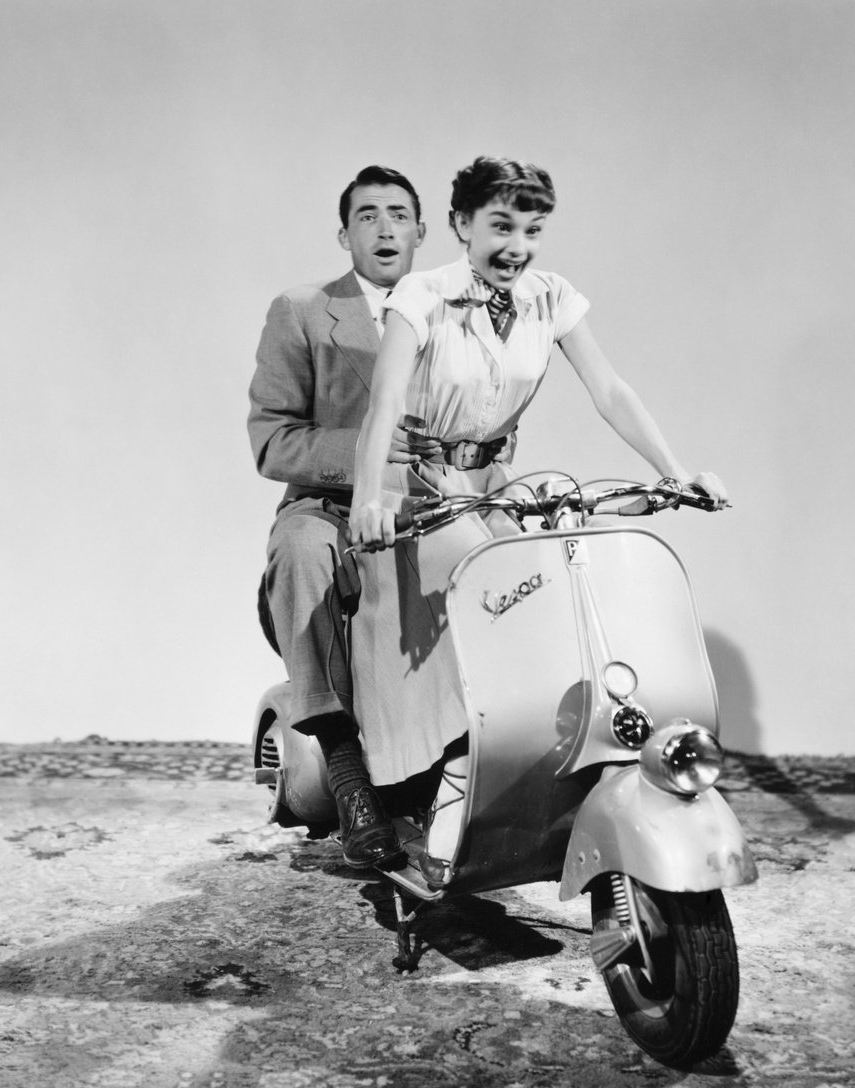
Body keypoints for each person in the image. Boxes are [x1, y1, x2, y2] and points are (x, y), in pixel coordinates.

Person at [348, 155, 728, 797]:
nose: (517, 247)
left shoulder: (550, 297)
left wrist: (675, 473)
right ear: (461, 224)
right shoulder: (422, 297)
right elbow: (383, 403)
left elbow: (609, 390)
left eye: (532, 230)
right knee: (484, 581)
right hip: (418, 491)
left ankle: (553, 752)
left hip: (495, 483)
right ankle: (454, 769)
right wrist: (366, 500)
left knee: (565, 570)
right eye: (501, 227)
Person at [248, 164, 435, 869]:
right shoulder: (301, 310)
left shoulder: (455, 310)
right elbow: (272, 439)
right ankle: (346, 770)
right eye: (367, 215)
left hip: (432, 507)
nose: (385, 227)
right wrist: (369, 447)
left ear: (423, 230)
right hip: (329, 507)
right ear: (343, 233)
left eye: (398, 213)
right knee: (299, 551)